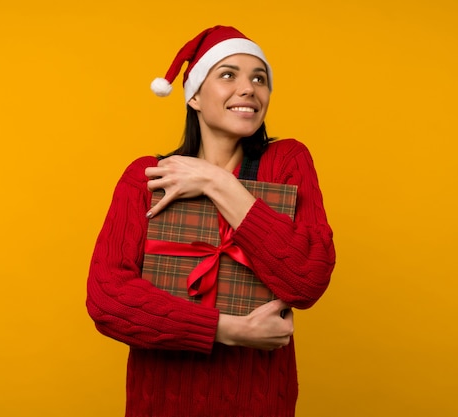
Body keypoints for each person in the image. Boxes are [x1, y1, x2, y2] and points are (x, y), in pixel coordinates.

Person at [86, 25, 336, 417]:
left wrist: (216, 181)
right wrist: (230, 330)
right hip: (161, 403)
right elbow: (108, 299)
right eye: (228, 74)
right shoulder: (148, 178)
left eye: (259, 78)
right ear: (195, 96)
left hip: (260, 404)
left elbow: (307, 279)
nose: (249, 88)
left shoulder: (286, 162)